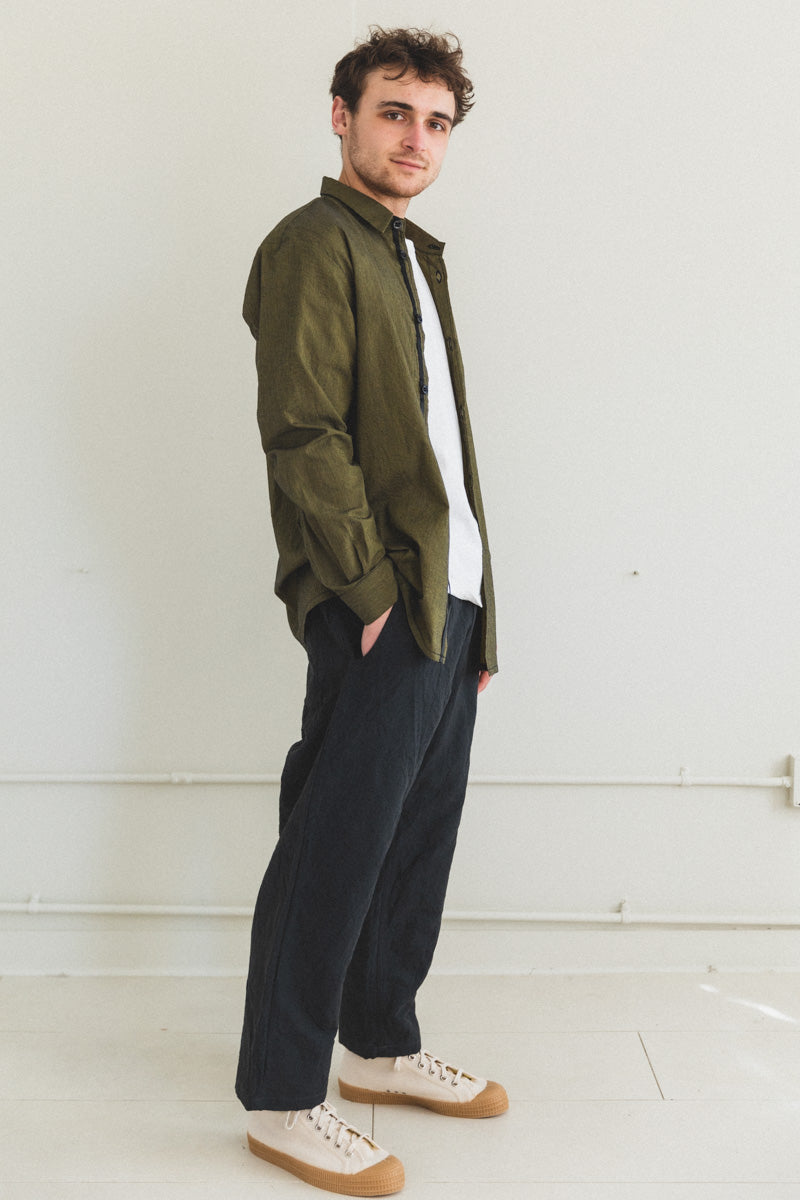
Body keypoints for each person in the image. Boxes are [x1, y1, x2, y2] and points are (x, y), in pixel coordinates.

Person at [237, 27, 505, 1196]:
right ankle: (280, 1098)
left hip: (445, 600)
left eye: (435, 122)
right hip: (380, 598)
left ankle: (379, 1046)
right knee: (333, 848)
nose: (416, 139)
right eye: (394, 112)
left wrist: (479, 615)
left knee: (412, 842)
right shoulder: (313, 244)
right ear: (341, 115)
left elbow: (441, 455)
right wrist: (366, 590)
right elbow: (302, 429)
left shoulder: (409, 255)